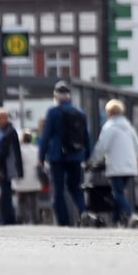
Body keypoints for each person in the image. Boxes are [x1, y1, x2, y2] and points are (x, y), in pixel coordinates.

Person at [38, 81, 92, 226]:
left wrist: (41, 157)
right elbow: (86, 136)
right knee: (76, 187)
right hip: (76, 156)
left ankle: (64, 222)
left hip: (58, 156)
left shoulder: (53, 112)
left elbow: (46, 136)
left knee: (58, 190)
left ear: (56, 96)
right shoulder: (80, 112)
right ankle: (83, 212)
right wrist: (87, 156)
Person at [90, 99, 138, 227]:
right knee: (119, 192)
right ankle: (116, 220)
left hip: (116, 166)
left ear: (109, 112)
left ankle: (131, 215)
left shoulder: (109, 127)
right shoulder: (129, 127)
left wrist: (92, 161)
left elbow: (101, 147)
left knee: (117, 192)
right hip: (130, 166)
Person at [0, 108, 23, 225]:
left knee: (6, 194)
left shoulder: (9, 131)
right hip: (2, 167)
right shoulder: (0, 131)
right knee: (4, 194)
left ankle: (8, 218)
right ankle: (5, 217)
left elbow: (4, 151)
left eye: (1, 117)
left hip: (6, 168)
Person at [12, 131, 42, 224]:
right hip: (35, 179)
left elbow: (16, 164)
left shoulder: (19, 150)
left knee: (21, 201)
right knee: (34, 201)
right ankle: (35, 219)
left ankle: (21, 218)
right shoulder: (37, 149)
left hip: (22, 179)